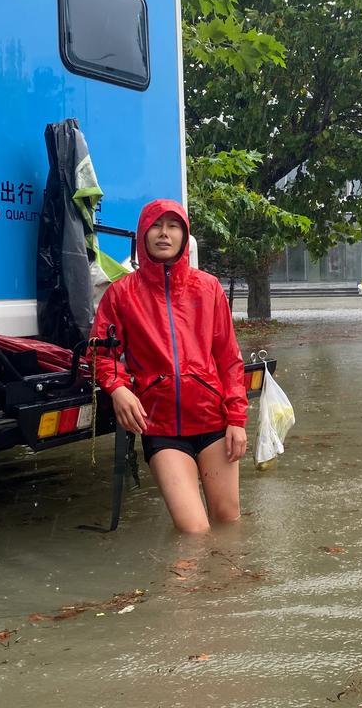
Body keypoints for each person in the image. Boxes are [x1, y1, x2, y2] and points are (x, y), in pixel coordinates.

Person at [89, 199, 248, 533]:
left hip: (213, 422)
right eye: (156, 226)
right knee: (195, 533)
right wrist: (118, 388)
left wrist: (236, 419)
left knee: (229, 523)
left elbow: (229, 359)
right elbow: (99, 354)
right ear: (144, 234)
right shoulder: (121, 294)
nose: (164, 234)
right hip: (161, 428)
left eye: (173, 226)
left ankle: (233, 586)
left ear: (184, 235)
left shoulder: (208, 288)